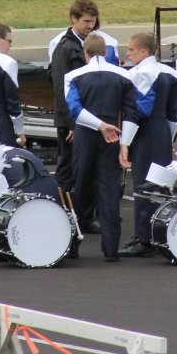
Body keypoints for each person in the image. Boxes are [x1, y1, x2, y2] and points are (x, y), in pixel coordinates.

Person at [65, 34, 138, 261]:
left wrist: (99, 125)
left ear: (85, 53)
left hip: (86, 134)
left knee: (80, 188)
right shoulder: (124, 75)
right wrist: (124, 144)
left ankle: (72, 245)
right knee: (109, 189)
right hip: (113, 135)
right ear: (106, 52)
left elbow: (75, 110)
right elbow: (131, 113)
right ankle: (111, 249)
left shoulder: (73, 76)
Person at [118, 32, 177, 258]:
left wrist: (125, 142)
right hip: (162, 130)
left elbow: (139, 111)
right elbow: (173, 112)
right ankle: (158, 233)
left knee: (143, 185)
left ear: (144, 52)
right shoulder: (170, 72)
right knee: (160, 183)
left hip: (145, 132)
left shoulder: (140, 73)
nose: (128, 54)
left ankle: (143, 238)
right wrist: (169, 139)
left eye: (131, 50)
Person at [50, 0, 100, 224]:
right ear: (73, 19)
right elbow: (61, 88)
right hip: (72, 121)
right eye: (86, 21)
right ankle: (61, 216)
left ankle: (83, 216)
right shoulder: (65, 48)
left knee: (86, 169)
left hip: (85, 118)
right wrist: (72, 123)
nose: (91, 25)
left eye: (93, 21)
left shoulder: (83, 44)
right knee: (67, 170)